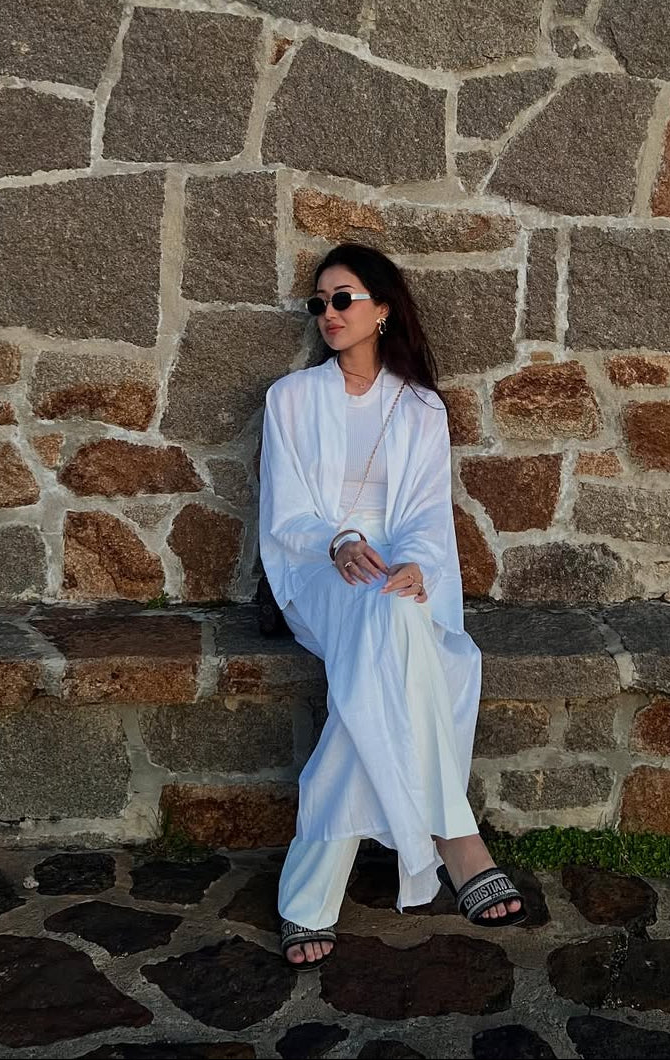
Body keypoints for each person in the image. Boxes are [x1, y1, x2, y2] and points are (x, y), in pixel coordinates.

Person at [259, 243, 526, 970]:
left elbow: (425, 517)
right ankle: (456, 839)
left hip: (394, 577)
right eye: (319, 303)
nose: (328, 315)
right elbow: (286, 515)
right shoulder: (291, 399)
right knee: (390, 623)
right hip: (317, 571)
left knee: (395, 625)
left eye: (342, 299)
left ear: (381, 309)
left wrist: (417, 565)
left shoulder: (419, 407)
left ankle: (310, 894)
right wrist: (341, 543)